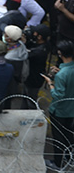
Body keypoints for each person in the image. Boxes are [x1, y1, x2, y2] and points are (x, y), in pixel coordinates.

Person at [46, 40, 74, 169]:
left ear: (60, 53)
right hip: (71, 110)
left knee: (58, 138)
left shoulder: (62, 75)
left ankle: (57, 163)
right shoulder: (66, 71)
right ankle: (69, 157)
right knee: (69, 135)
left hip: (60, 111)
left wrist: (50, 83)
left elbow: (58, 95)